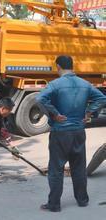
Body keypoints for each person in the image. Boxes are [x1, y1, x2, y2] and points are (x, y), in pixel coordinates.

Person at [36, 55, 106, 212]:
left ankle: (54, 204)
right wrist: (88, 113)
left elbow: (40, 99)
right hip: (78, 131)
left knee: (56, 168)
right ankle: (82, 200)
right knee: (79, 167)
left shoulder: (55, 84)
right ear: (72, 66)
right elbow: (102, 98)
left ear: (58, 67)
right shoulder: (85, 84)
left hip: (60, 132)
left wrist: (54, 114)